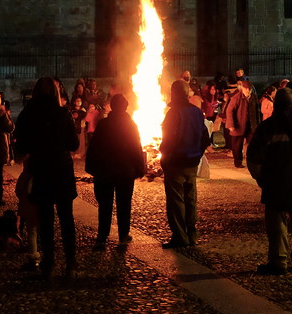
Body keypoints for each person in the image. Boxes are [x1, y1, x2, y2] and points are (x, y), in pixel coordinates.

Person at [246, 87, 292, 274]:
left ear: (277, 103)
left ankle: (279, 261)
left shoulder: (268, 127)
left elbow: (254, 157)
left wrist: (261, 178)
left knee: (276, 222)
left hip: (275, 180)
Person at [14, 77, 80, 279]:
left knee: (45, 220)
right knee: (66, 219)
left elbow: (21, 144)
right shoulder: (63, 113)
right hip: (61, 169)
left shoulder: (28, 114)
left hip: (41, 169)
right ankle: (71, 265)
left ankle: (49, 265)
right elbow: (74, 144)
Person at [85, 93, 146, 250]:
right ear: (125, 107)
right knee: (124, 204)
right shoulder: (131, 125)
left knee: (105, 205)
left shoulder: (104, 124)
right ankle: (123, 235)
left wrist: (91, 167)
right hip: (125, 172)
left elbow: (94, 147)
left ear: (112, 107)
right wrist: (140, 168)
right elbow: (136, 147)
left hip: (105, 171)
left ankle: (102, 237)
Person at [159, 79, 210, 249]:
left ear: (174, 93)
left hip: (176, 163)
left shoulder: (174, 113)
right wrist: (198, 154)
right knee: (190, 199)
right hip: (192, 162)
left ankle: (180, 237)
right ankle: (191, 234)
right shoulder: (196, 112)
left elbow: (169, 139)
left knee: (176, 202)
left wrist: (165, 157)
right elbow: (205, 137)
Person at [223, 78, 259, 168]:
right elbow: (229, 111)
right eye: (246, 89)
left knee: (253, 143)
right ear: (242, 88)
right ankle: (238, 161)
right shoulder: (236, 98)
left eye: (249, 89)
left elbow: (257, 111)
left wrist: (258, 124)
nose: (248, 91)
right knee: (237, 145)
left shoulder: (253, 97)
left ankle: (252, 161)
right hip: (238, 124)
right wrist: (231, 124)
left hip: (250, 125)